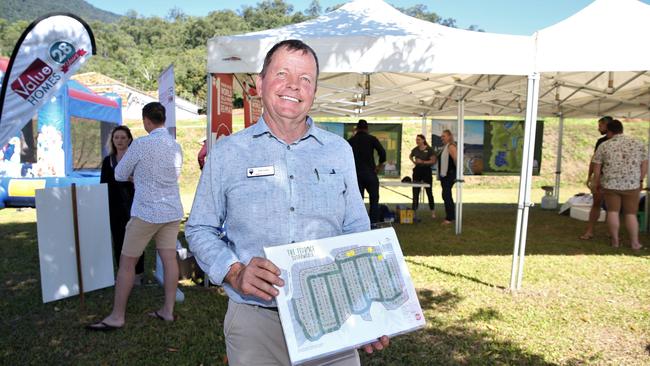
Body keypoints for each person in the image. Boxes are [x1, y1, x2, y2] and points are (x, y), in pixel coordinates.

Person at [185, 39, 389, 366]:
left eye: (305, 78)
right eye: (282, 74)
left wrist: (370, 304)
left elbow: (356, 230)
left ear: (315, 91)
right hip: (256, 320)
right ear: (260, 83)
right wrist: (234, 271)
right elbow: (199, 228)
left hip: (333, 316)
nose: (294, 85)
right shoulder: (227, 153)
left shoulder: (339, 151)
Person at [87, 102, 184, 330]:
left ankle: (117, 316)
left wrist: (136, 177)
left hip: (146, 211)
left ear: (146, 121)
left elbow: (119, 173)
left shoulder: (141, 144)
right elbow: (174, 174)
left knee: (126, 264)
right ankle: (168, 311)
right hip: (171, 211)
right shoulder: (175, 145)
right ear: (163, 119)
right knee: (170, 261)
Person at [592, 119, 647, 251]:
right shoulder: (638, 143)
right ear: (622, 129)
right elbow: (644, 164)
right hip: (631, 184)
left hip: (610, 184)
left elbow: (597, 167)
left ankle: (615, 241)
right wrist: (640, 180)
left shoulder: (604, 145)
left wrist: (597, 181)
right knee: (630, 214)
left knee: (612, 212)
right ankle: (635, 243)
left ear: (609, 131)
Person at [100, 126, 145, 285]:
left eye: (123, 137)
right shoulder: (108, 161)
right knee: (118, 240)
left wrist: (134, 180)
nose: (119, 141)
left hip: (136, 204)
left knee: (137, 239)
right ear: (112, 140)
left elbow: (145, 180)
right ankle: (122, 274)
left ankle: (138, 274)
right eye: (116, 138)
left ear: (129, 140)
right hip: (115, 206)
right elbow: (104, 185)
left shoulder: (136, 158)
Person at [347, 119, 386, 223]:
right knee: (374, 200)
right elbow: (382, 153)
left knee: (358, 201)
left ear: (356, 128)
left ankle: (358, 222)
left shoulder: (350, 141)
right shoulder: (372, 139)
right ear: (367, 128)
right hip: (370, 173)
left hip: (355, 175)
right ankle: (373, 223)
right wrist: (379, 165)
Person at [580, 116, 612, 240]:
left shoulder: (610, 142)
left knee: (611, 207)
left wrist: (592, 177)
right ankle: (590, 230)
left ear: (607, 126)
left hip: (606, 178)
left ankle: (610, 232)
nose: (599, 128)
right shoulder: (601, 141)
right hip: (603, 178)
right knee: (598, 204)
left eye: (600, 126)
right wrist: (590, 176)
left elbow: (594, 161)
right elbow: (595, 160)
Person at [409, 134, 436, 219]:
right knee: (415, 191)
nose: (417, 141)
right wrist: (414, 162)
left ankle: (432, 211)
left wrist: (423, 162)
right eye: (416, 140)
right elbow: (410, 156)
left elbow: (433, 161)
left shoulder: (429, 149)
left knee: (429, 192)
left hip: (426, 171)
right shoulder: (415, 149)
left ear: (423, 140)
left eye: (419, 139)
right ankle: (414, 212)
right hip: (417, 171)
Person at [438, 129, 457, 225]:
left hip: (449, 174)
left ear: (449, 137)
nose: (442, 138)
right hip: (444, 175)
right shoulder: (445, 147)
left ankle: (449, 218)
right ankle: (451, 216)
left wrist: (457, 174)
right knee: (446, 195)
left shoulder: (451, 146)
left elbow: (456, 160)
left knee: (446, 195)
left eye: (444, 136)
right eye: (441, 136)